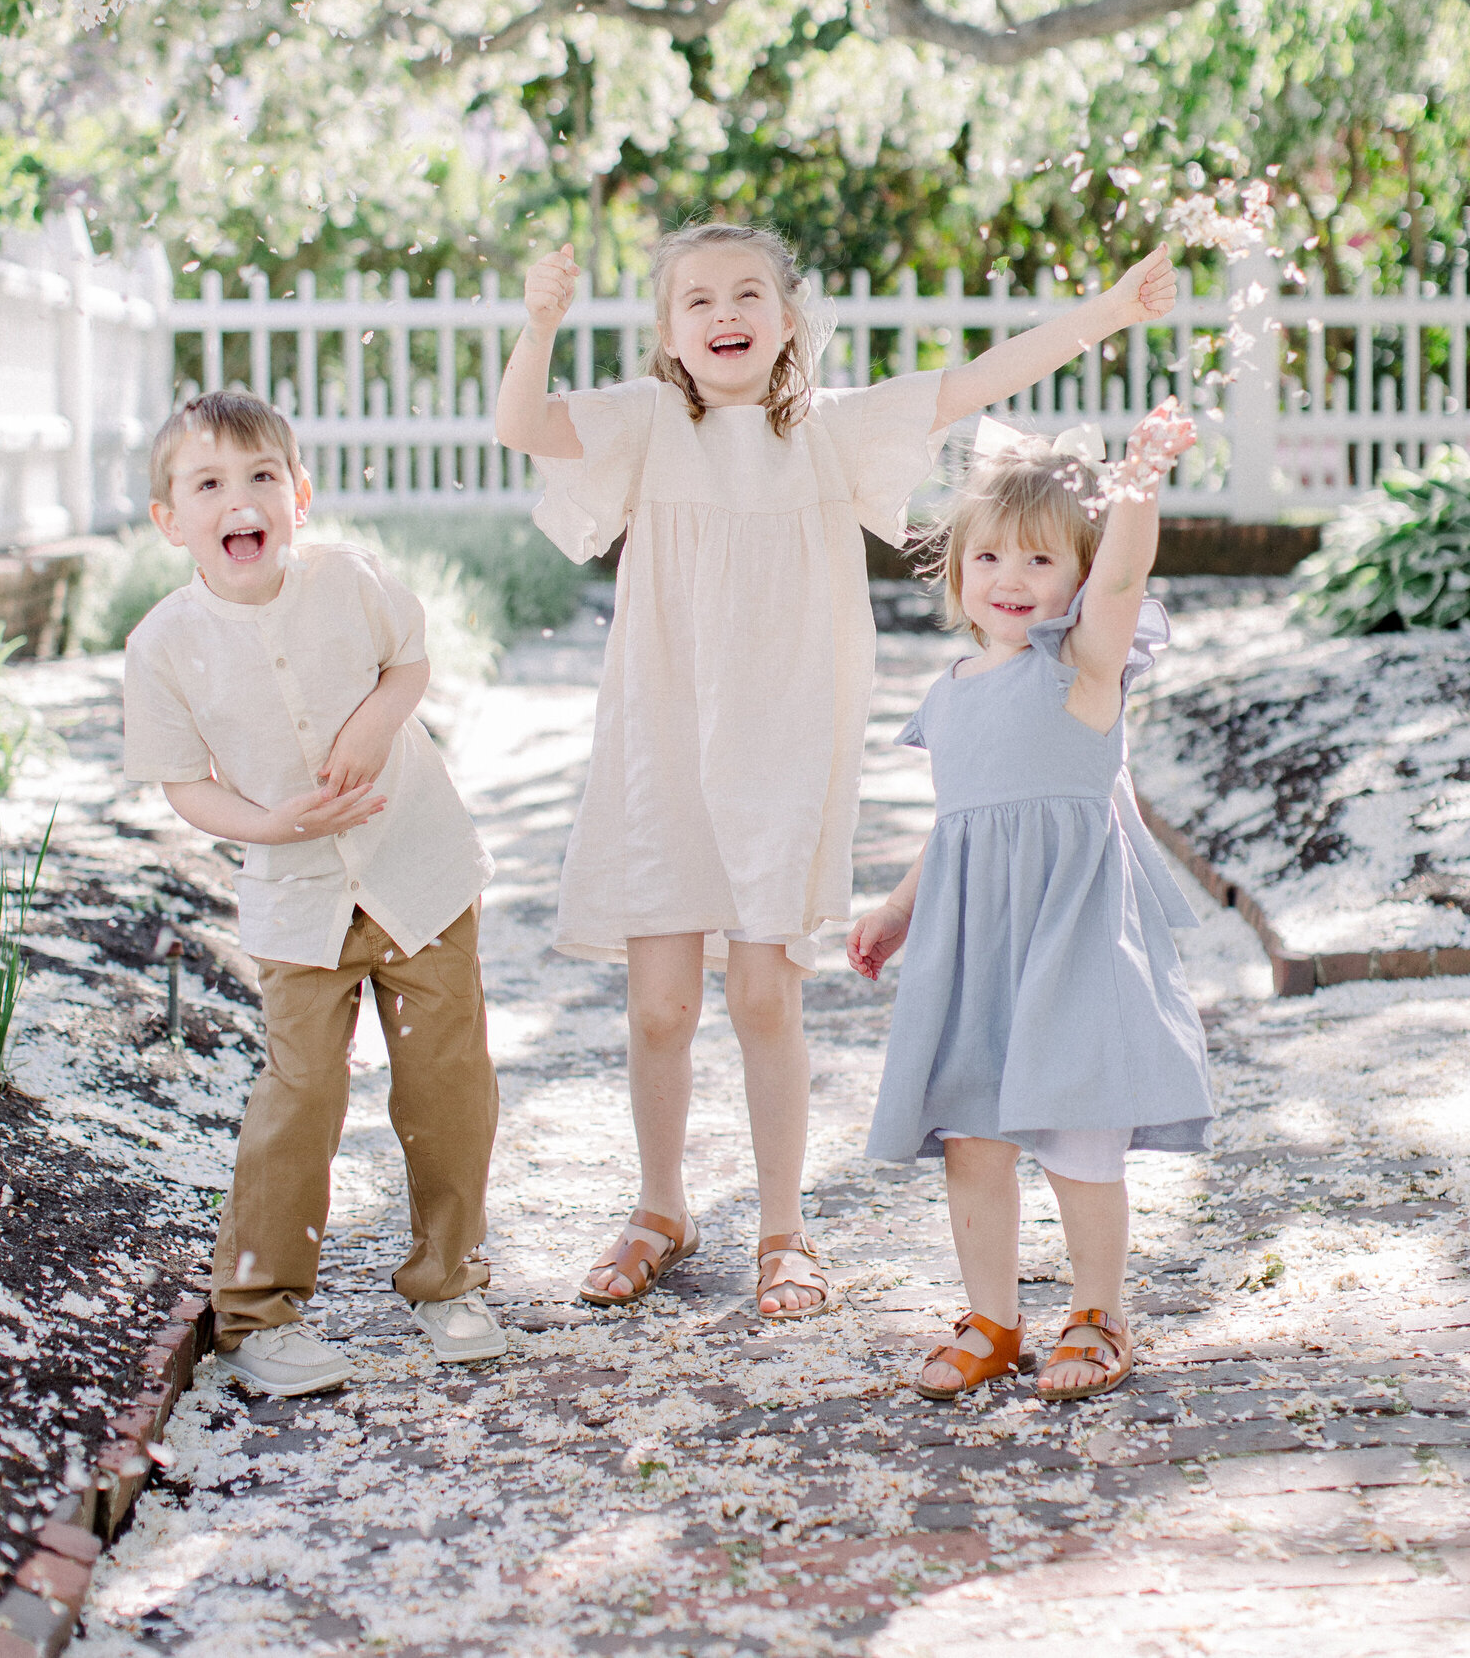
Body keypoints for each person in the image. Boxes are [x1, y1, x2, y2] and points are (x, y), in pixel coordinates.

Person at [495, 222, 1179, 1320]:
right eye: (699, 300)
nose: (726, 313)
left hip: (781, 744)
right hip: (659, 742)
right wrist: (539, 322)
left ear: (788, 317)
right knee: (661, 1005)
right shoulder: (645, 423)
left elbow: (972, 383)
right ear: (669, 333)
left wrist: (1109, 308)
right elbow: (521, 422)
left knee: (766, 993)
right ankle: (659, 1206)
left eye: (750, 293)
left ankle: (783, 1227)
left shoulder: (830, 434)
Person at [122, 391, 501, 1396]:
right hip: (298, 899)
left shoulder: (349, 580)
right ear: (171, 519)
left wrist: (378, 720)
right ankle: (258, 1312)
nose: (237, 500)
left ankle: (447, 1276)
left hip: (417, 870)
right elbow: (184, 781)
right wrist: (270, 824)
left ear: (298, 494)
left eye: (259, 479)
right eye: (208, 484)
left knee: (446, 1082)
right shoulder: (165, 645)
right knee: (300, 1095)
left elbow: (407, 663)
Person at [850, 403, 1214, 1402]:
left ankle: (1098, 1312)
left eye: (1041, 563)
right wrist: (896, 908)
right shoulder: (954, 688)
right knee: (972, 1138)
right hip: (972, 941)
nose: (1010, 581)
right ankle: (992, 1316)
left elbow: (1128, 576)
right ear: (956, 571)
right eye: (989, 560)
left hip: (1068, 932)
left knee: (1078, 1134)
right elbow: (963, 821)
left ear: (1079, 582)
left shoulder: (1081, 671)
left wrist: (1136, 486)